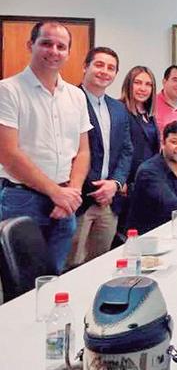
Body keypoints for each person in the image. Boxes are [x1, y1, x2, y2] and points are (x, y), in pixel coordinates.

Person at [0, 21, 91, 273]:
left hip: (65, 203)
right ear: (31, 45)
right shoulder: (8, 91)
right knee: (23, 284)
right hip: (22, 200)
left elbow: (83, 151)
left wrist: (71, 192)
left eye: (61, 46)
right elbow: (7, 153)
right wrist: (55, 192)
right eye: (46, 43)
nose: (54, 51)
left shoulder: (76, 96)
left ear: (69, 52)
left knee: (54, 278)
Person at [67, 47, 133, 268]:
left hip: (109, 202)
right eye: (99, 65)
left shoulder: (119, 109)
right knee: (70, 265)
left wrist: (115, 184)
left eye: (111, 68)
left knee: (100, 264)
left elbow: (126, 150)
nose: (105, 71)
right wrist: (95, 187)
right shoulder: (69, 101)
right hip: (78, 200)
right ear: (85, 67)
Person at [117, 65, 160, 229]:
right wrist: (120, 180)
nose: (143, 88)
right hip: (125, 185)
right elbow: (116, 149)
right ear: (129, 84)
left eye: (148, 84)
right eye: (138, 82)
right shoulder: (119, 109)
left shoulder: (149, 114)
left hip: (145, 183)